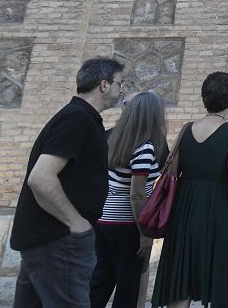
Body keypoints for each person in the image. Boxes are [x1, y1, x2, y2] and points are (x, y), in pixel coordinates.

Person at [9, 57, 125, 308]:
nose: (121, 90)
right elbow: (40, 178)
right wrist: (77, 223)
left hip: (49, 239)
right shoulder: (77, 118)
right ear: (104, 85)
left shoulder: (81, 117)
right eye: (119, 83)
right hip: (59, 240)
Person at [151, 71, 228, 308]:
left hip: (184, 208)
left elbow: (172, 170)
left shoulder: (186, 129)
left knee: (181, 276)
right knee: (220, 281)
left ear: (204, 98)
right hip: (218, 209)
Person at [90, 90, 167, 308]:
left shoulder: (116, 140)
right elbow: (137, 193)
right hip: (127, 224)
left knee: (101, 281)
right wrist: (144, 232)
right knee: (128, 287)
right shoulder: (145, 147)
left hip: (105, 220)